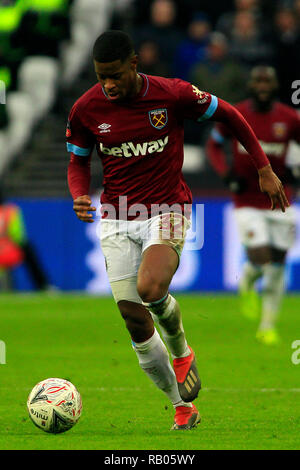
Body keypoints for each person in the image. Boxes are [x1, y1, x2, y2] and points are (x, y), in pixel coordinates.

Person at [66, 31, 288, 430]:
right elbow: (78, 161)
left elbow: (231, 115)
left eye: (115, 75)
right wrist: (80, 194)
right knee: (134, 322)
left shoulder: (172, 95)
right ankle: (181, 407)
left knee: (151, 289)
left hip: (167, 208)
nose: (109, 84)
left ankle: (182, 351)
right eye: (102, 77)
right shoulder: (86, 109)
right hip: (116, 217)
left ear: (134, 64)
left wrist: (263, 167)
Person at [206, 66, 300, 345]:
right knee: (260, 256)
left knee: (278, 264)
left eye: (267, 81)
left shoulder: (289, 118)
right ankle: (247, 280)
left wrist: (295, 170)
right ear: (250, 85)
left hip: (281, 200)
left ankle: (268, 325)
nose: (262, 86)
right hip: (246, 199)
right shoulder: (236, 114)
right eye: (257, 81)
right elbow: (213, 145)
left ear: (275, 86)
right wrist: (226, 174)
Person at [0, 189, 51, 291]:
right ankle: (43, 286)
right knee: (28, 248)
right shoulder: (11, 211)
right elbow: (18, 236)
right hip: (8, 251)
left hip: (5, 252)